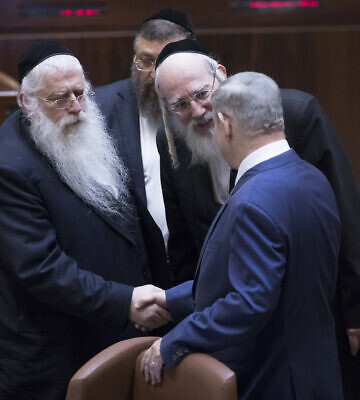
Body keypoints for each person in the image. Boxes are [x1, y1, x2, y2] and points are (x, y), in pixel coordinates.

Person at [154, 39, 360, 399]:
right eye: (180, 105)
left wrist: (177, 339)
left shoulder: (293, 122)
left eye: (202, 94)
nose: (198, 110)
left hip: (276, 363)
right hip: (294, 356)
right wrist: (173, 300)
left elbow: (253, 298)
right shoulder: (306, 176)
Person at [0, 40, 170, 400]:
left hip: (103, 335)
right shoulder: (7, 168)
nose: (77, 107)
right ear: (26, 102)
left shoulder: (84, 132)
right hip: (45, 360)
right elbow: (42, 268)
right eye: (60, 98)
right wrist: (123, 300)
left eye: (81, 92)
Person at [95, 9, 195, 248]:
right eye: (146, 61)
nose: (153, 74)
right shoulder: (99, 110)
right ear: (134, 59)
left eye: (164, 62)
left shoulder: (208, 106)